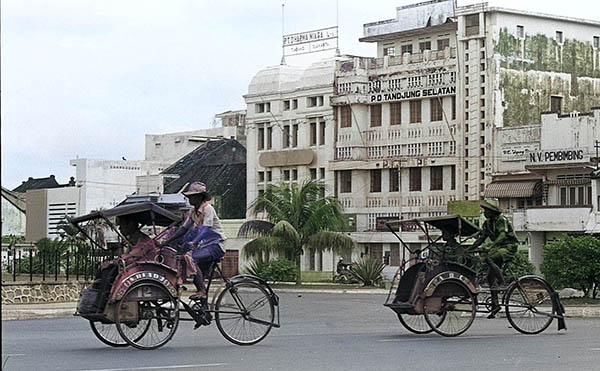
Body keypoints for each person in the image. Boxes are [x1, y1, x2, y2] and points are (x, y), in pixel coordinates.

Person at [470, 201, 519, 318]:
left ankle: (503, 282)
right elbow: (481, 238)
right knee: (490, 278)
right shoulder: (487, 224)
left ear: (492, 212)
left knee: (489, 258)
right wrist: (469, 249)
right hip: (498, 248)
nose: (484, 212)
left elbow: (502, 236)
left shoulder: (501, 220)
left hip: (508, 247)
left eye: (486, 211)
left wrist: (490, 247)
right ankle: (495, 305)